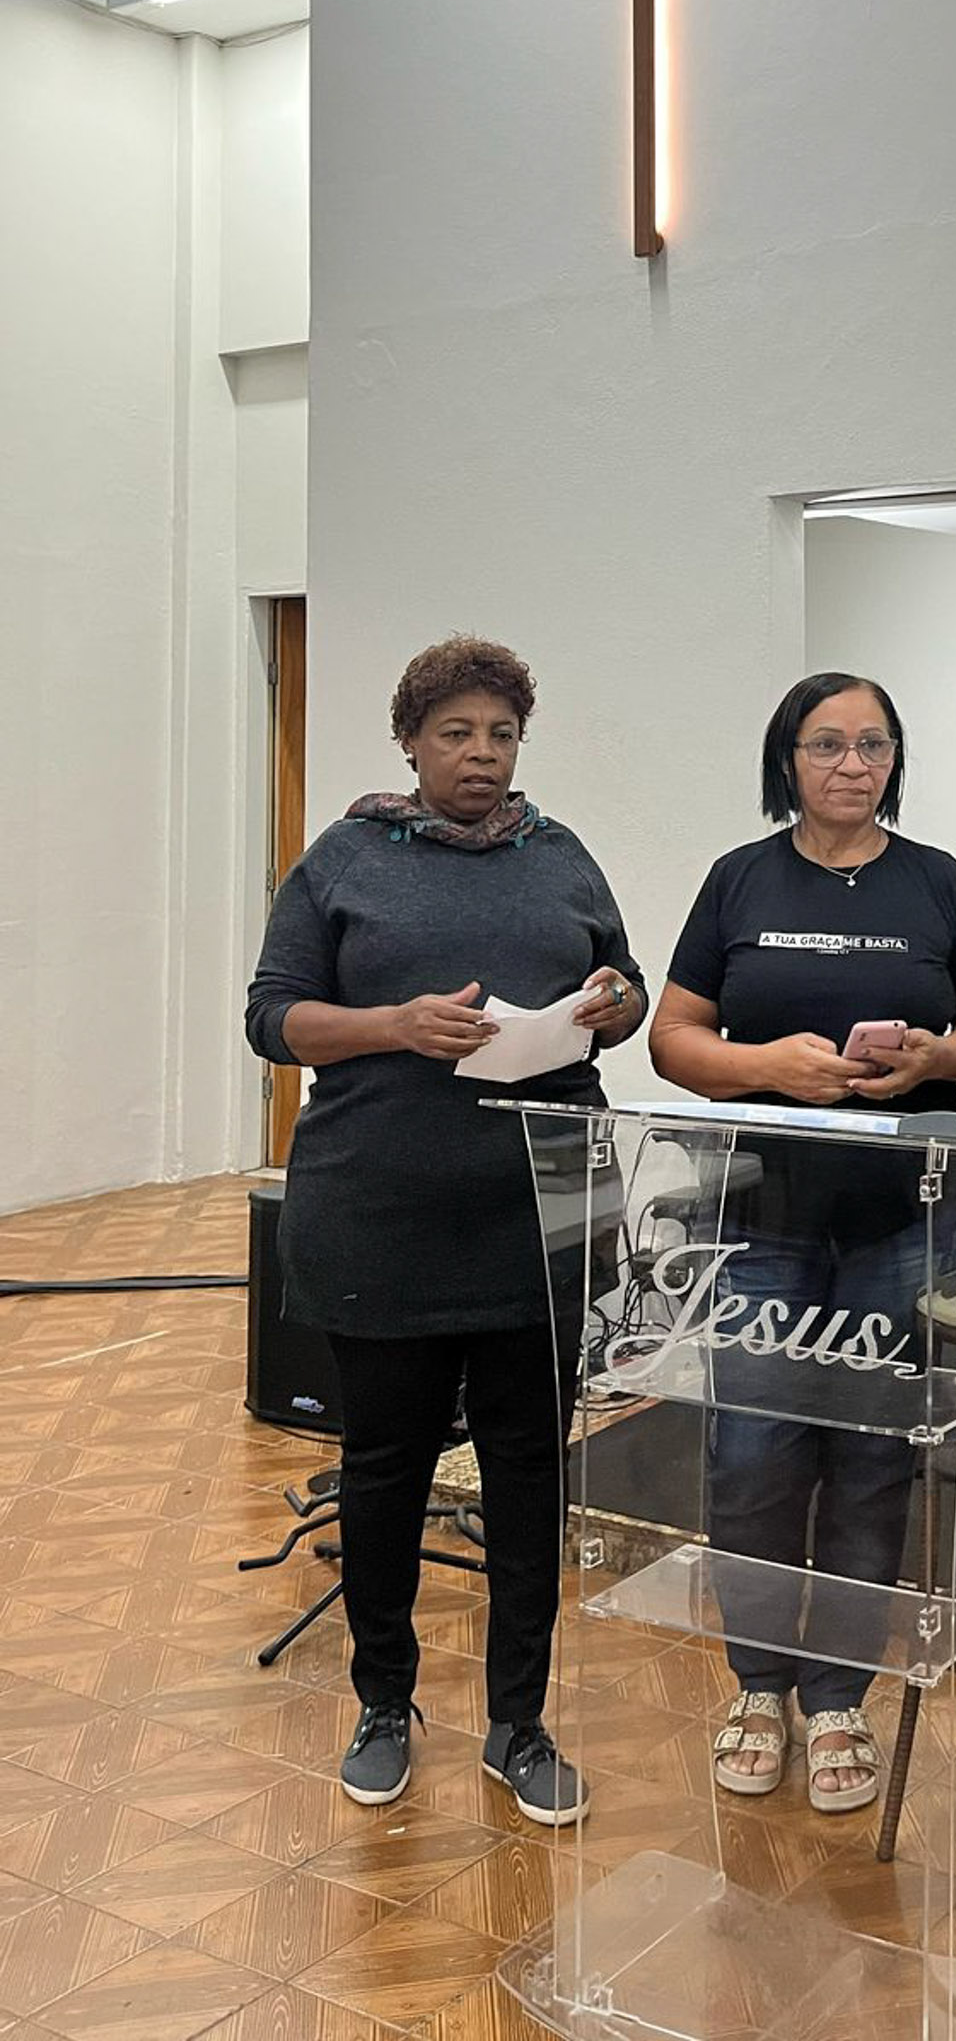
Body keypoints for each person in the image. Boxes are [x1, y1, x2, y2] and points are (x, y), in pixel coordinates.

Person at [245, 635, 646, 1823]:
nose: (482, 754)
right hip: (383, 1210)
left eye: (501, 734)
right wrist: (392, 1025)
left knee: (528, 1471)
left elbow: (621, 984)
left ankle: (520, 1721)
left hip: (540, 1211)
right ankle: (383, 1700)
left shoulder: (559, 854)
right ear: (410, 741)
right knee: (385, 1465)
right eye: (457, 733)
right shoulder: (345, 858)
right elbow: (272, 1017)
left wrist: (614, 1001)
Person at [649, 672, 956, 1813]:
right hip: (761, 1216)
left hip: (903, 1219)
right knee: (754, 1454)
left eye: (873, 745)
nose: (853, 764)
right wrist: (763, 1065)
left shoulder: (936, 880)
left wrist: (936, 1058)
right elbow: (673, 1036)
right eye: (827, 744)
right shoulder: (739, 878)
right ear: (787, 760)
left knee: (871, 1456)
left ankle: (838, 1697)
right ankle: (758, 1685)